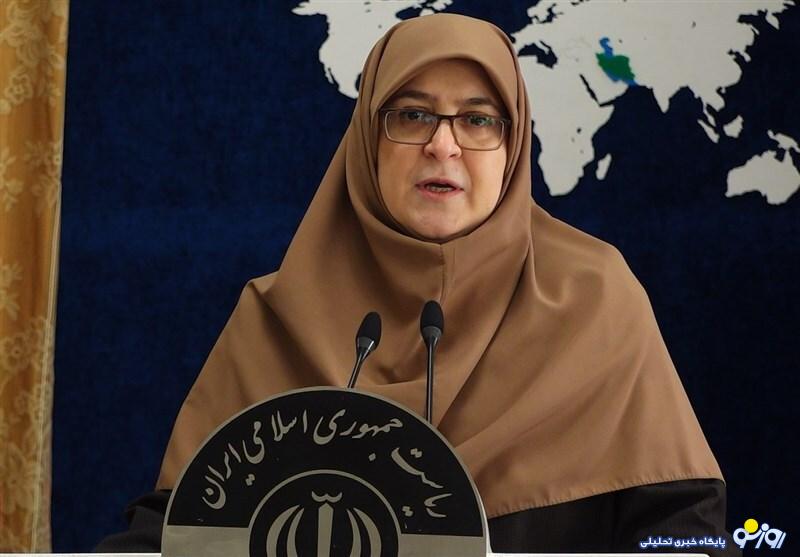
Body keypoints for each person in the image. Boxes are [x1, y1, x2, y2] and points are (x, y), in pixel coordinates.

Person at [98, 13, 739, 555]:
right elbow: (176, 527)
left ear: (514, 145)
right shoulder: (276, 315)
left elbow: (687, 532)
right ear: (367, 141)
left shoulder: (594, 297)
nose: (443, 145)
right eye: (412, 115)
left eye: (478, 120)